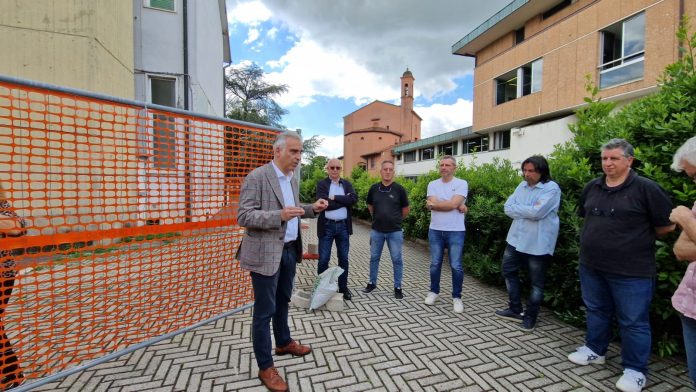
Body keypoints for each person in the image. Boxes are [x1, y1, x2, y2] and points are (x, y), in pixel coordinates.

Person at [567, 139, 675, 392]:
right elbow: (587, 219)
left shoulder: (647, 188)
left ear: (629, 160)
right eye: (604, 158)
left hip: (632, 271)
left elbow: (667, 226)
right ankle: (595, 350)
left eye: (614, 158)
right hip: (591, 265)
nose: (608, 163)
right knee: (596, 309)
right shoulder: (592, 187)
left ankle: (635, 370)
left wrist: (630, 241)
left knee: (633, 321)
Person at [236, 131, 328, 392]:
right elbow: (243, 216)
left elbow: (294, 208)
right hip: (265, 253)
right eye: (294, 152)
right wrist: (279, 215)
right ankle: (265, 367)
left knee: (283, 301)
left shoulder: (290, 179)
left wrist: (312, 209)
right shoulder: (257, 177)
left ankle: (284, 342)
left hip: (289, 250)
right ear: (277, 151)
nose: (299, 157)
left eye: (300, 152)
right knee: (264, 311)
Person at [494, 156, 561, 332]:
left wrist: (522, 209)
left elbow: (537, 213)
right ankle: (515, 309)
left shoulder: (551, 189)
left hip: (537, 243)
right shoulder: (521, 186)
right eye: (525, 170)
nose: (527, 174)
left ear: (542, 171)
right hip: (515, 239)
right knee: (508, 271)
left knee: (537, 283)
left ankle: (530, 316)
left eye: (531, 171)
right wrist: (527, 210)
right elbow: (507, 208)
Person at [668, 136, 696, 387]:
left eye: (695, 175)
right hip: (691, 307)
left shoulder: (688, 213)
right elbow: (681, 249)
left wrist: (686, 218)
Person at [424, 155, 468, 313]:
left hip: (456, 231)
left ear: (454, 168)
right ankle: (434, 292)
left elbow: (452, 204)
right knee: (435, 264)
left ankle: (457, 297)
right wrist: (451, 204)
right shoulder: (432, 184)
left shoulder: (462, 183)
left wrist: (436, 205)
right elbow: (450, 204)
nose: (444, 167)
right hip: (435, 229)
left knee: (456, 265)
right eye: (441, 165)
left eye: (448, 165)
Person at [362, 161, 410, 299]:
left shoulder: (400, 189)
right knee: (374, 258)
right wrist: (379, 217)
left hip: (395, 231)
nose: (388, 171)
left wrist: (395, 220)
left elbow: (406, 210)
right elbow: (370, 206)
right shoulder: (373, 189)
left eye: (390, 169)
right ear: (381, 172)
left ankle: (398, 286)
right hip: (377, 231)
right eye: (385, 169)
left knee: (397, 259)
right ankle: (372, 283)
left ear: (393, 172)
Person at [315, 159, 357, 300]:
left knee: (343, 259)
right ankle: (321, 288)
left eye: (337, 167)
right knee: (324, 259)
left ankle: (343, 287)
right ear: (327, 168)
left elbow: (353, 200)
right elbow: (324, 205)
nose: (334, 170)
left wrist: (333, 197)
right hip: (326, 226)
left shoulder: (347, 184)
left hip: (343, 227)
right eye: (332, 167)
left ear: (341, 169)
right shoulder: (322, 184)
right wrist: (344, 200)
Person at [0, 184, 25, 390]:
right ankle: (12, 374)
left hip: (1, 274)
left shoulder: (1, 206)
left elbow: (18, 226)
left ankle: (11, 375)